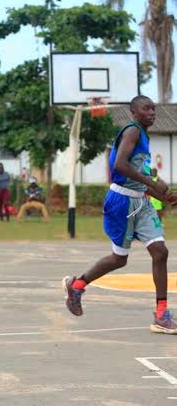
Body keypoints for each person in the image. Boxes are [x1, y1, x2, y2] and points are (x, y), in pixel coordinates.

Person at [63, 95, 177, 333]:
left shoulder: (143, 137)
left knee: (160, 252)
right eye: (147, 109)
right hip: (120, 202)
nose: (152, 112)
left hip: (141, 202)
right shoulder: (132, 131)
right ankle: (77, 285)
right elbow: (120, 166)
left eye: (154, 109)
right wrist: (153, 183)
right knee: (119, 259)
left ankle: (161, 314)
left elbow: (137, 180)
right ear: (134, 112)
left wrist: (163, 196)